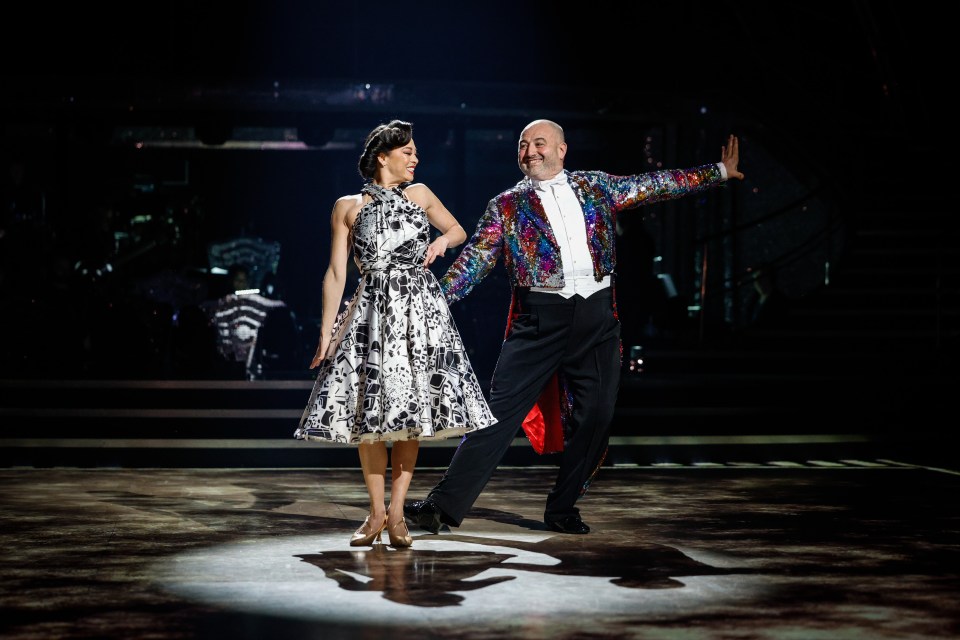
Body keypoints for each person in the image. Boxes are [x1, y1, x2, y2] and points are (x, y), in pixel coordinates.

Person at [405, 119, 744, 535]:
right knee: (498, 415)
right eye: (523, 145)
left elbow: (656, 183)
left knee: (597, 414)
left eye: (540, 143)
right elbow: (474, 262)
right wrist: (430, 299)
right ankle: (441, 505)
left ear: (562, 150)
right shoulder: (507, 205)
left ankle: (563, 506)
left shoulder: (595, 186)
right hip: (538, 321)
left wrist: (719, 172)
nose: (530, 151)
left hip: (597, 319)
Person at [295, 120, 496, 548]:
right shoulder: (347, 206)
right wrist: (327, 332)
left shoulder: (419, 194)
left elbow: (458, 230)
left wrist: (441, 245)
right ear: (383, 157)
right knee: (369, 416)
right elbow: (335, 272)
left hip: (418, 311)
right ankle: (375, 514)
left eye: (415, 152)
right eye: (408, 152)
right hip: (370, 312)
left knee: (409, 417)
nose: (415, 159)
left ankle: (399, 514)